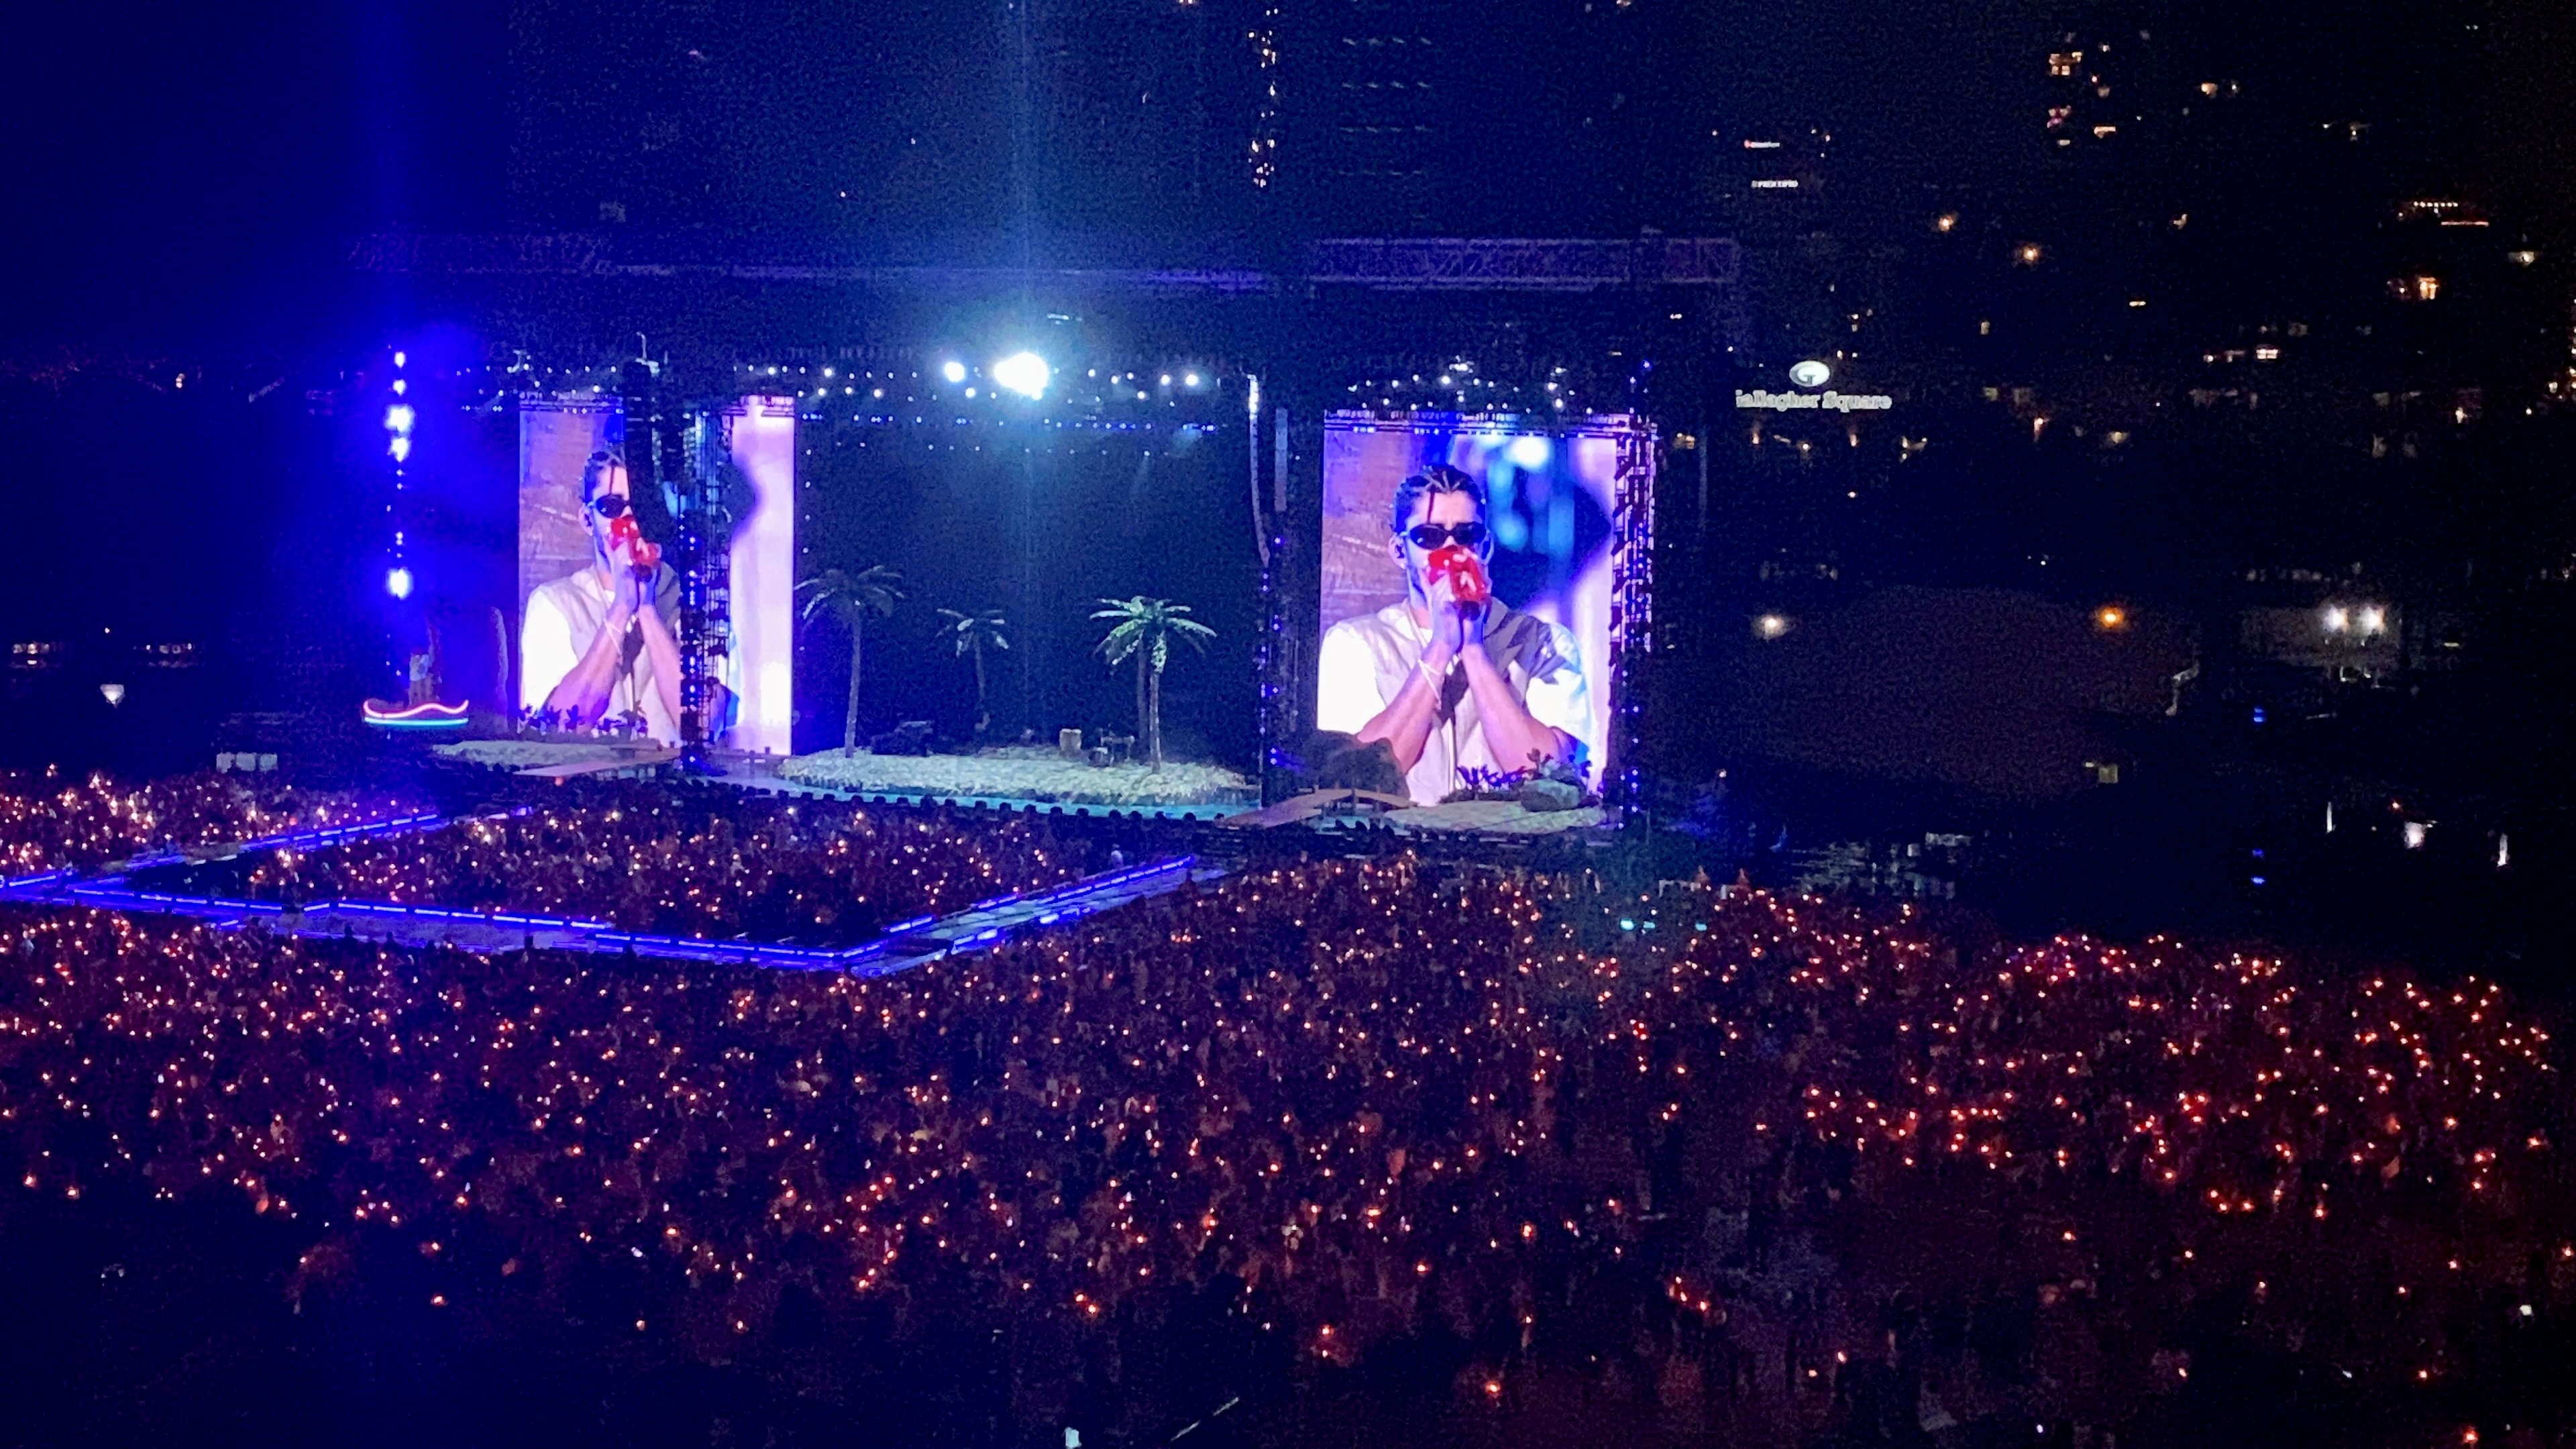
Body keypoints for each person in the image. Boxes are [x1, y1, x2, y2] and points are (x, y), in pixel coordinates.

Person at [1316, 464, 1589, 805]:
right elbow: (1359, 780)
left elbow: (1543, 776)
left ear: (1485, 547)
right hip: (1396, 848)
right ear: (1400, 552)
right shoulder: (1354, 643)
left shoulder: (1546, 644)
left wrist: (1474, 651)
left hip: (1509, 848)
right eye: (1430, 537)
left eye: (1466, 535)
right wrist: (1441, 647)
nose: (1451, 550)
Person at [519, 451, 725, 742]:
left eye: (642, 506)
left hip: (670, 784)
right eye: (612, 506)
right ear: (588, 520)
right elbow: (558, 728)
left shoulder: (695, 601)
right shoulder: (553, 602)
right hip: (587, 785)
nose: (629, 519)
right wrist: (622, 606)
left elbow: (702, 726)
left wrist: (648, 611)